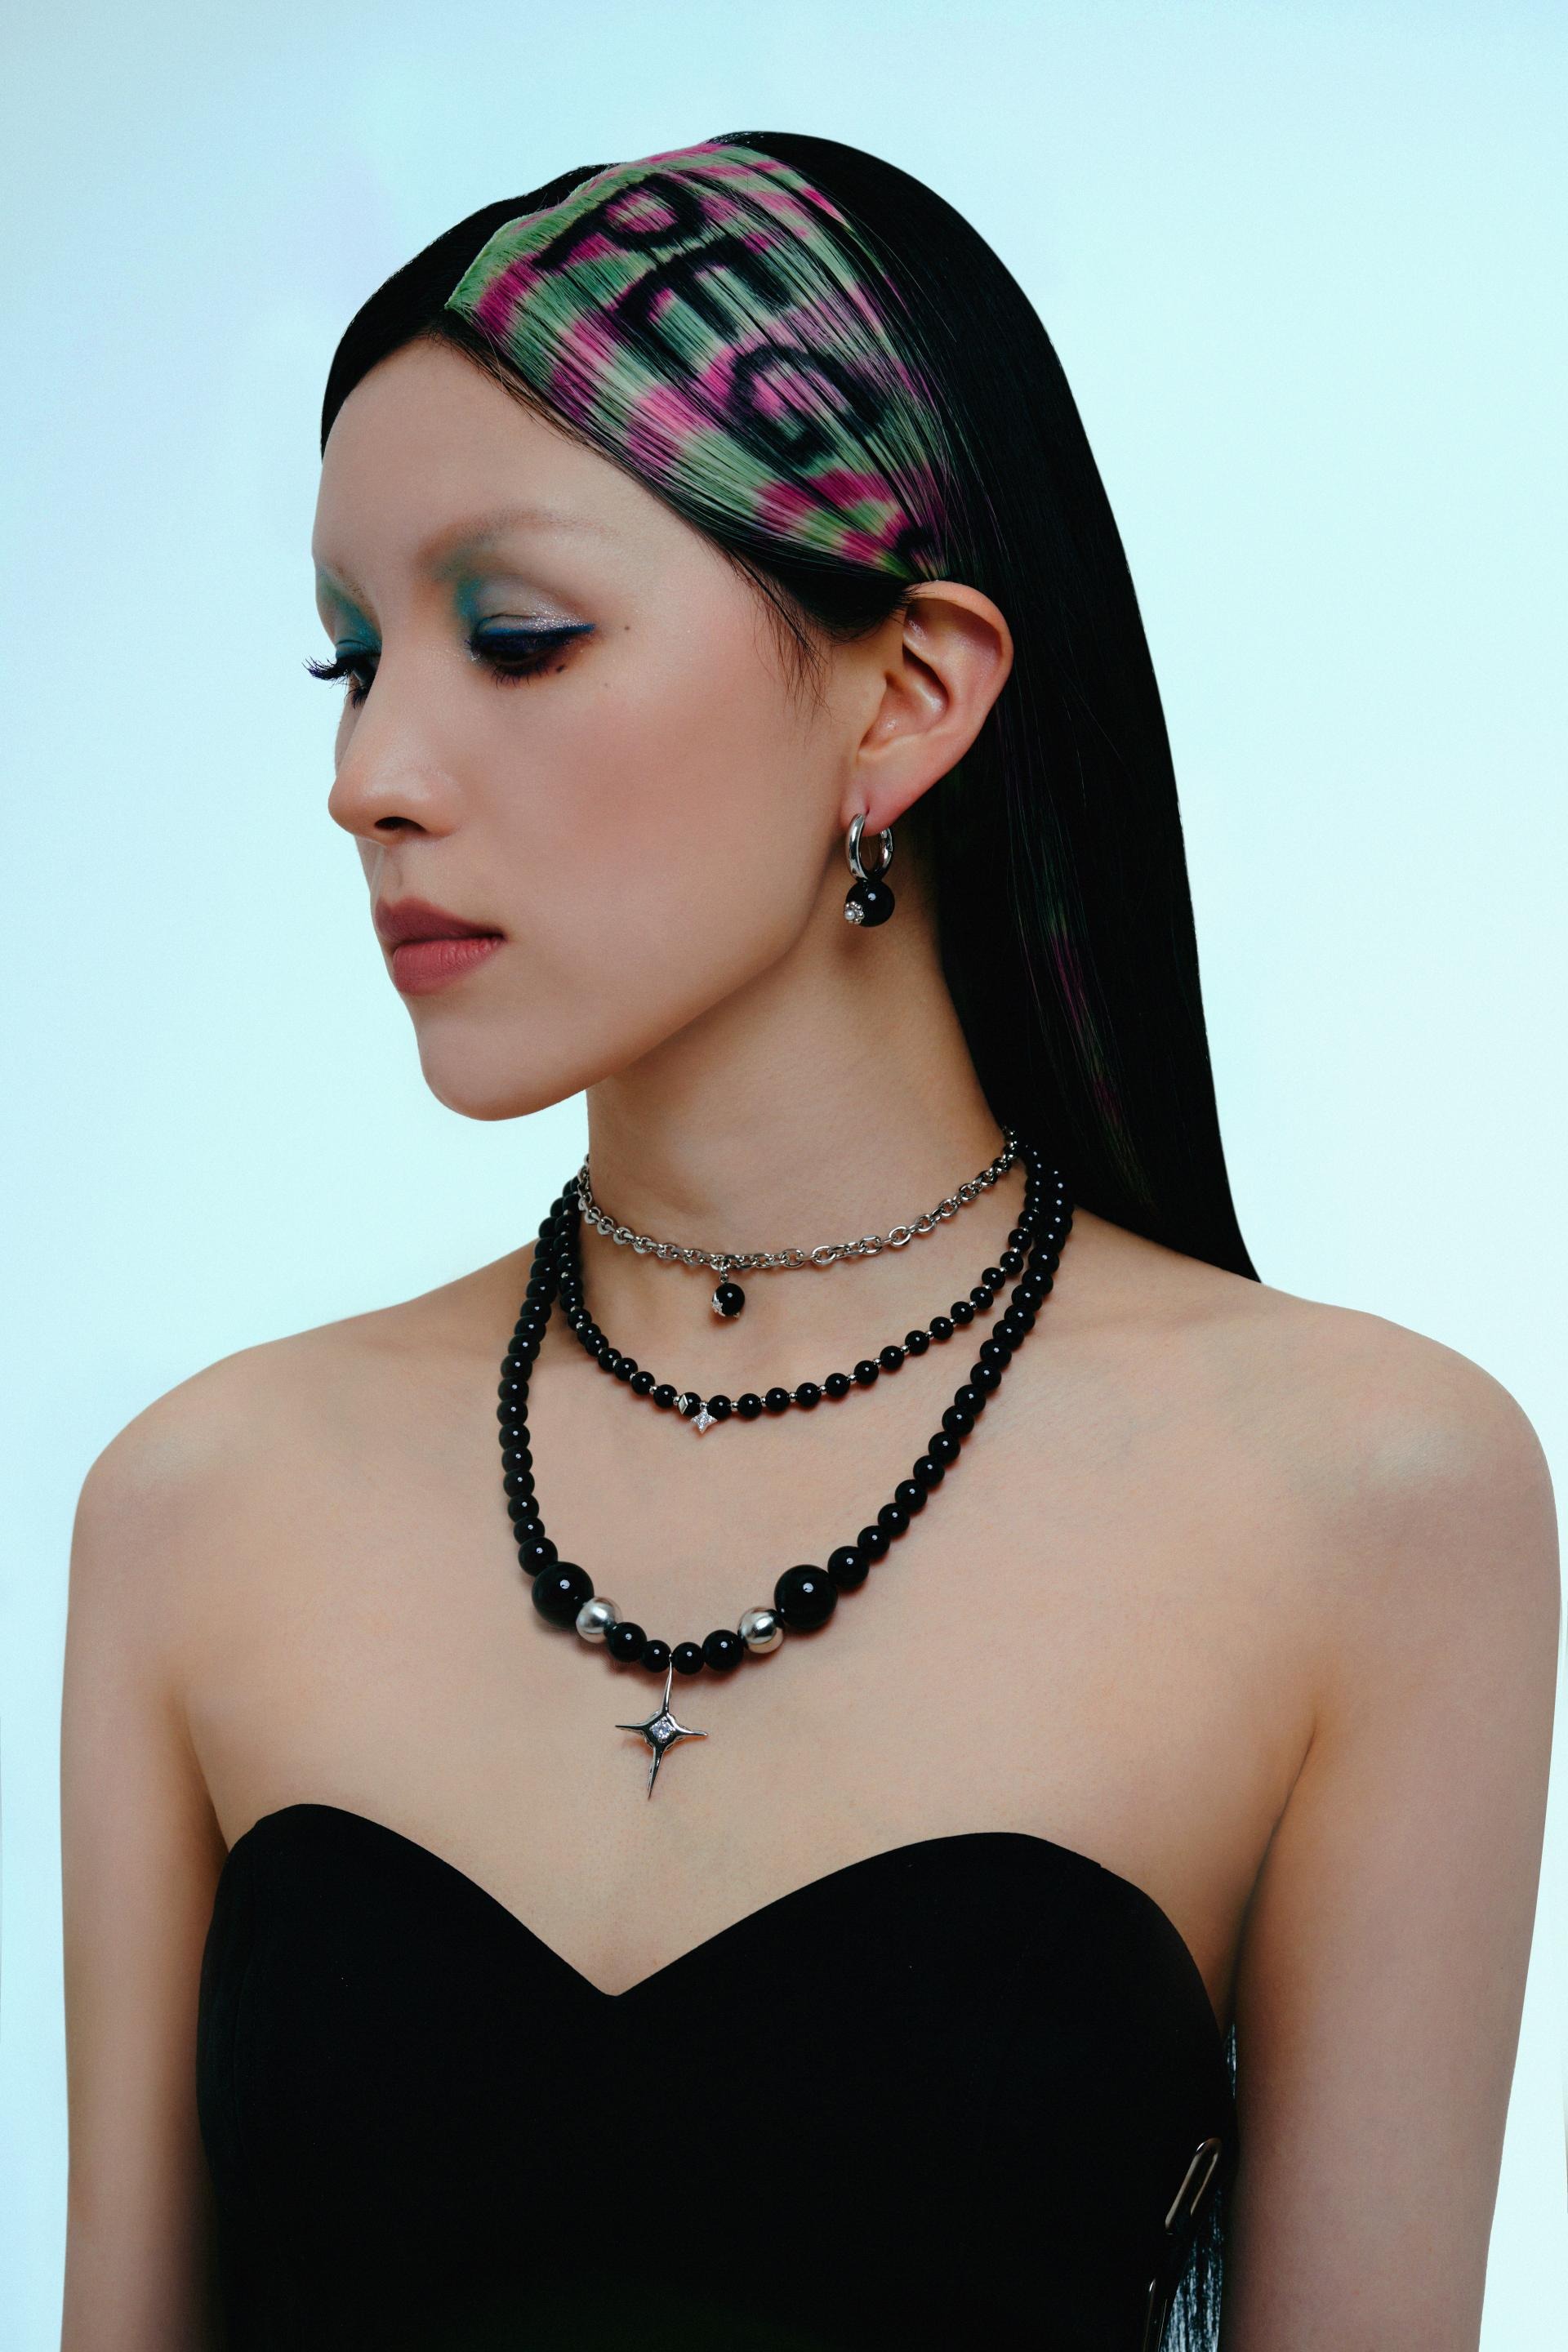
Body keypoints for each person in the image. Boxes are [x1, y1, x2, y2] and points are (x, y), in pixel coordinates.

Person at [59, 133, 1557, 2352]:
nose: (370, 773)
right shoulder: (201, 1508)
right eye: (348, 662)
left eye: (517, 638)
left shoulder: (1371, 1497)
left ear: (909, 690)